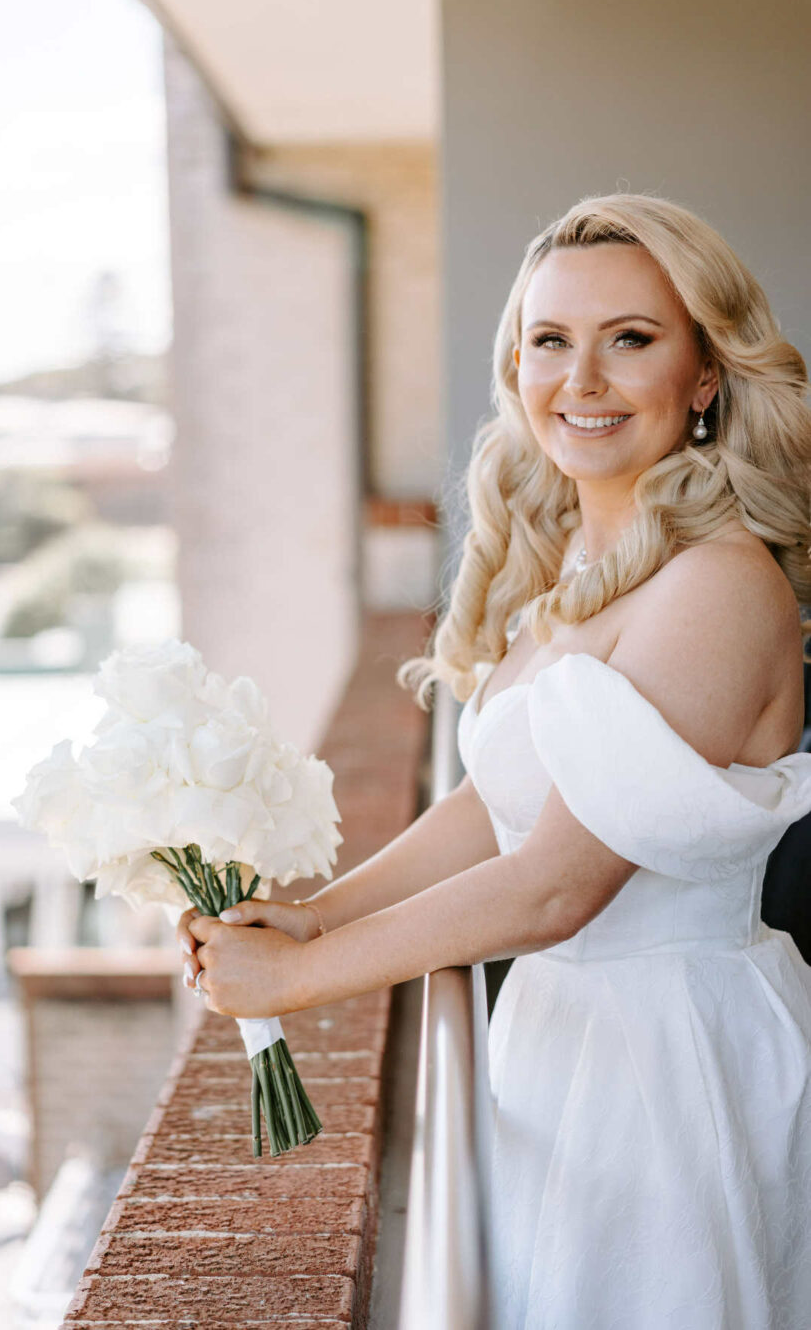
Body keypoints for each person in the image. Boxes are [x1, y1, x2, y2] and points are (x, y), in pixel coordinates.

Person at [178, 193, 811, 1328]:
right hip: (563, 1040)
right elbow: (496, 804)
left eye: (632, 339)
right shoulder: (579, 561)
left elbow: (561, 882)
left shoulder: (717, 584)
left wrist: (303, 982)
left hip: (667, 1064)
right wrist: (315, 916)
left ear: (706, 375)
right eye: (550, 342)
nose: (583, 379)